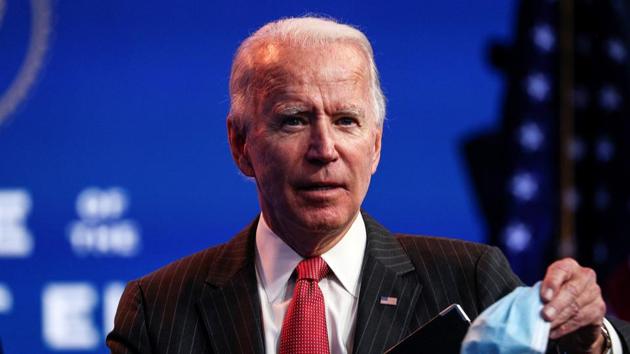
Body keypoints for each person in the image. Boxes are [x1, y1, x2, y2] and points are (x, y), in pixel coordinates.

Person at [106, 17, 630, 354]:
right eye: (293, 119)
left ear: (375, 146)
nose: (324, 148)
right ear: (241, 144)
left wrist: (592, 341)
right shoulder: (158, 309)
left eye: (347, 122)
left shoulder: (468, 279)